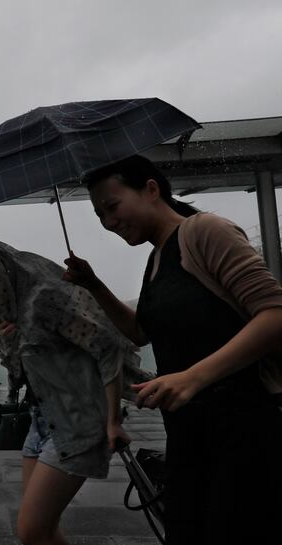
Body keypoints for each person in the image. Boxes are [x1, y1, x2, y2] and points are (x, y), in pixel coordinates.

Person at [63, 154, 282, 545]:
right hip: (187, 433)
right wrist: (93, 284)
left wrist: (192, 377)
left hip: (245, 429)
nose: (109, 222)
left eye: (112, 207)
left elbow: (275, 315)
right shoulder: (157, 258)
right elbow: (140, 332)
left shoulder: (205, 232)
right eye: (99, 215)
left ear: (150, 189)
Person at [0, 236, 149, 545]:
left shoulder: (46, 297)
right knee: (41, 530)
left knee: (32, 530)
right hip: (43, 421)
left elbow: (108, 348)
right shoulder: (13, 310)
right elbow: (20, 376)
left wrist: (112, 421)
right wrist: (8, 342)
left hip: (80, 423)